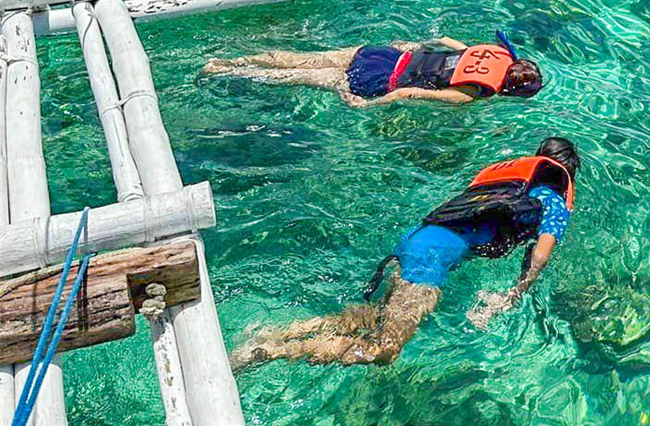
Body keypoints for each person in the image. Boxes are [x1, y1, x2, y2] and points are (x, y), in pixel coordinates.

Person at [231, 137, 580, 368]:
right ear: (567, 175)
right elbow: (541, 256)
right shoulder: (551, 201)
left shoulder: (506, 183)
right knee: (384, 349)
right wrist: (513, 294)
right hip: (428, 263)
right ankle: (271, 352)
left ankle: (276, 332)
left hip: (413, 241)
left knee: (370, 318)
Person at [203, 34, 543, 107]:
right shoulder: (470, 93)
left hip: (386, 56)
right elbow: (411, 92)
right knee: (297, 77)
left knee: (303, 57)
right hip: (381, 79)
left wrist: (408, 45)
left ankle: (233, 60)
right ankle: (224, 72)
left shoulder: (495, 52)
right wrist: (367, 105)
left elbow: (443, 40)